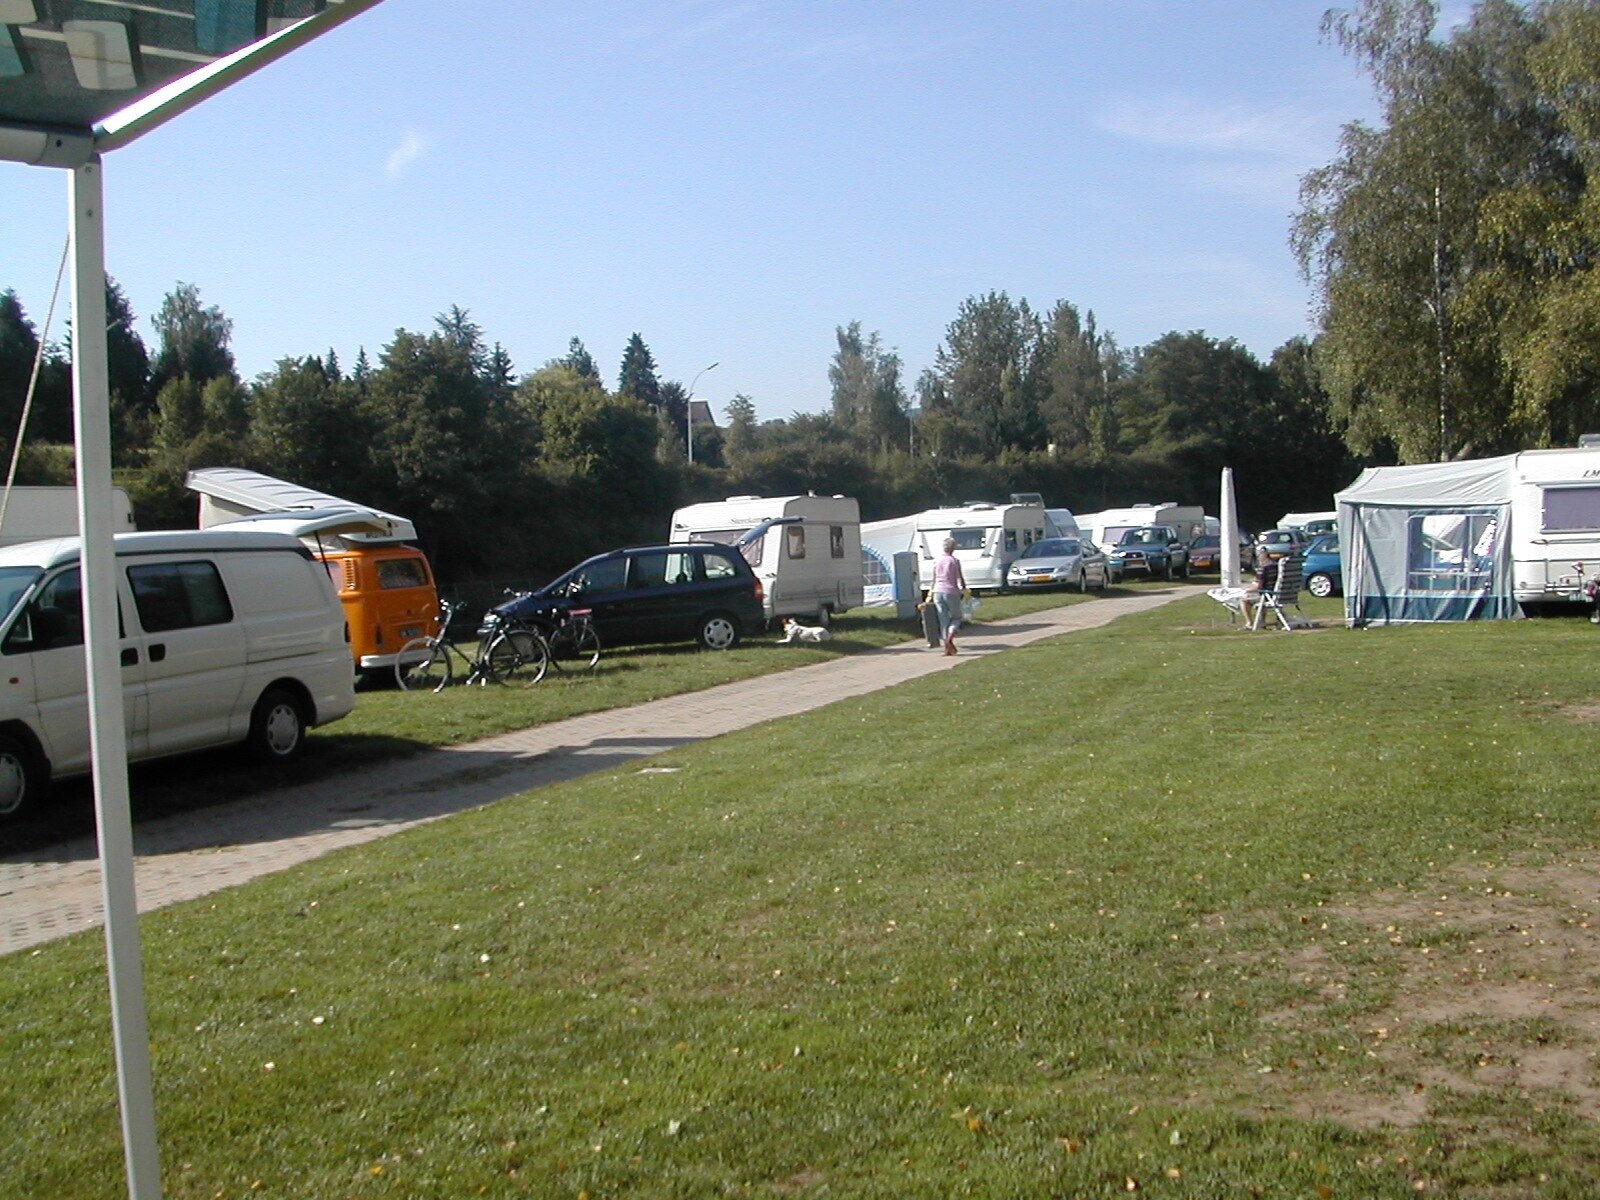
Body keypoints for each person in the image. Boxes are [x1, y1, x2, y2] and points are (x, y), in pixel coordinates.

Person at [928, 536, 968, 655]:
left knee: (943, 619)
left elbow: (934, 578)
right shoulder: (954, 561)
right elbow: (960, 578)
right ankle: (951, 634)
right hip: (951, 591)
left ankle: (947, 646)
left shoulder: (937, 560)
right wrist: (965, 589)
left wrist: (930, 592)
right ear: (953, 548)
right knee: (957, 617)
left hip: (937, 591)